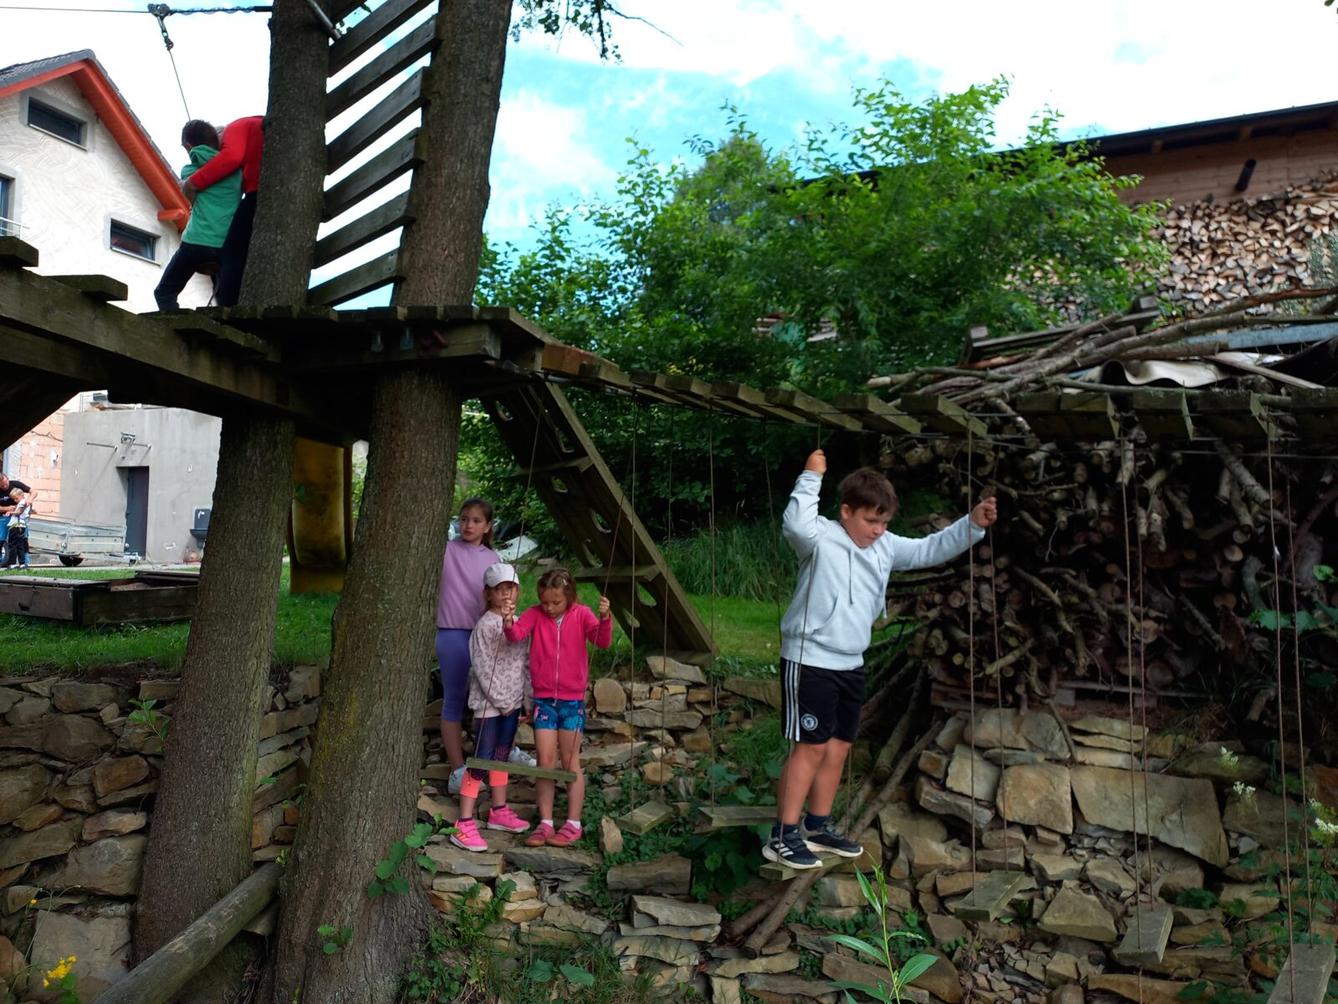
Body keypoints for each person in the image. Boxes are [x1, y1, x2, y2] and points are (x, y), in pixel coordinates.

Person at [765, 450, 998, 870]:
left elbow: (929, 549)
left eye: (885, 522)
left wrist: (972, 525)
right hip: (810, 659)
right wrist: (812, 475)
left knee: (838, 747)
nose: (878, 530)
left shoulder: (885, 547)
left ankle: (817, 827)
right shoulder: (817, 538)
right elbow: (795, 522)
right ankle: (782, 835)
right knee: (810, 747)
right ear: (846, 512)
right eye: (871, 520)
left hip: (851, 663)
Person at [503, 567, 612, 848]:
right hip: (544, 702)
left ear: (570, 597)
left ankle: (573, 823)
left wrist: (605, 618)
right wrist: (508, 620)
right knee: (545, 761)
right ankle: (546, 823)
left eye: (556, 602)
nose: (549, 608)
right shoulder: (534, 614)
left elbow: (602, 641)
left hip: (572, 702)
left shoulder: (582, 614)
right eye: (545, 602)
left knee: (570, 760)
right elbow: (516, 635)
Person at [451, 562, 533, 852]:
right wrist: (502, 702)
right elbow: (482, 669)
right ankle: (463, 822)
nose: (506, 594)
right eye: (500, 589)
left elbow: (525, 664)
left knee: (501, 756)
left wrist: (526, 699)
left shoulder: (520, 625)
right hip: (490, 706)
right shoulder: (484, 626)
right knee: (482, 759)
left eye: (511, 588)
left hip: (512, 705)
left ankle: (499, 810)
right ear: (488, 593)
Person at [435, 498, 501, 795]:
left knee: (491, 697)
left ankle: (492, 756)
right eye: (463, 519)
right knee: (454, 699)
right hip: (452, 633)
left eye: (476, 520)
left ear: (487, 526)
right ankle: (457, 769)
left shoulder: (493, 558)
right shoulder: (446, 550)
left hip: (483, 635)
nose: (468, 525)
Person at [154, 120, 242, 310]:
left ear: (188, 146)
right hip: (226, 245)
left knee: (164, 292)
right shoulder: (237, 172)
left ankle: (174, 324)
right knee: (225, 299)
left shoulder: (189, 171)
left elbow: (189, 192)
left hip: (196, 242)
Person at [182, 115, 263, 306]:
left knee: (231, 252)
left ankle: (227, 307)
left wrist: (193, 183)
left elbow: (231, 157)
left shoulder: (234, 129)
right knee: (238, 250)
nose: (214, 155)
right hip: (256, 192)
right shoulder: (251, 133)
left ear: (220, 136)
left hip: (256, 193)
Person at [0, 473, 33, 548]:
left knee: (23, 538)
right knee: (2, 538)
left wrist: (29, 500)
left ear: (7, 479)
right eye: (2, 485)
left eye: (6, 483)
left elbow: (33, 492)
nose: (5, 486)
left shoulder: (16, 484)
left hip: (20, 519)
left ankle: (24, 555)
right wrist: (8, 509)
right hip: (4, 517)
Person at [4, 487, 32, 569]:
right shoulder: (26, 502)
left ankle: (12, 564)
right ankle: (22, 563)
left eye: (16, 498)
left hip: (16, 526)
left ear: (21, 495)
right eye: (14, 499)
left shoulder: (22, 502)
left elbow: (19, 512)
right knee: (20, 545)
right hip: (22, 525)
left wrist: (10, 513)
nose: (15, 500)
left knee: (12, 545)